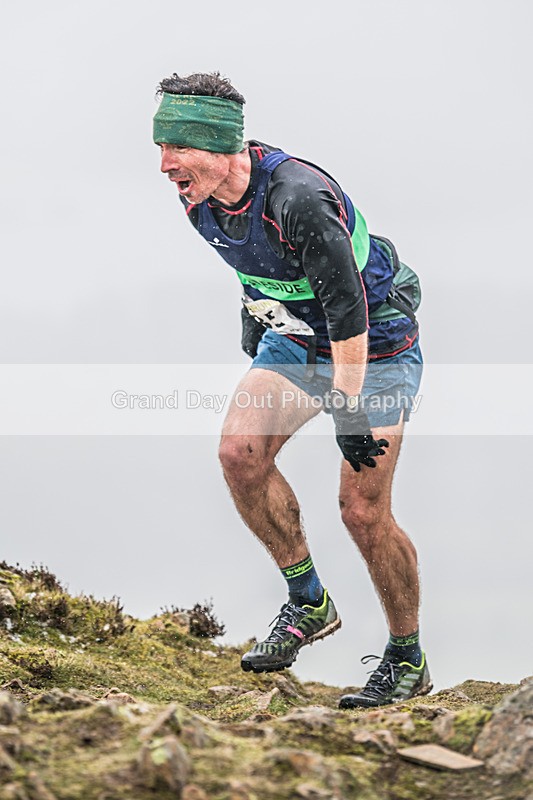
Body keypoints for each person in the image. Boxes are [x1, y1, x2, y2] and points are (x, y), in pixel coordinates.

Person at [153, 71, 431, 708]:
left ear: (218, 145)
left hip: (375, 341)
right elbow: (252, 260)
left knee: (362, 512)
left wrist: (349, 407)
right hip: (299, 336)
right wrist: (253, 312)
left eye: (177, 148)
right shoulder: (198, 198)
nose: (165, 165)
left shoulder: (299, 197)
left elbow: (350, 307)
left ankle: (406, 656)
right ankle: (308, 601)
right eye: (159, 148)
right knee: (238, 454)